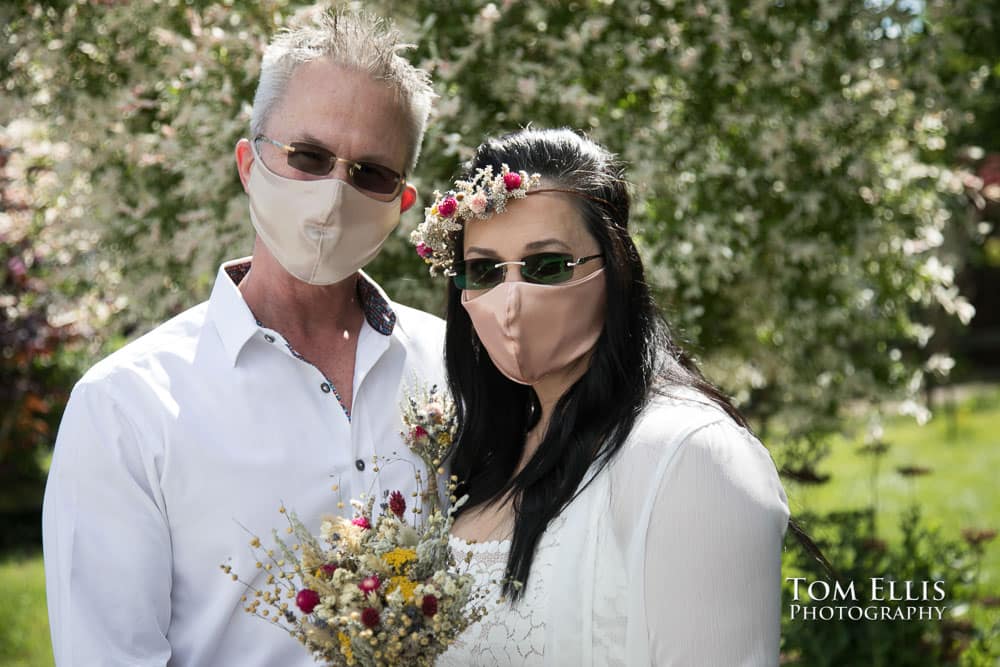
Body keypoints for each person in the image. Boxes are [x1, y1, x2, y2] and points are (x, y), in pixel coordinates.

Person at [41, 11, 444, 666]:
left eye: (371, 172)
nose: (334, 194)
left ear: (403, 201)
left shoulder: (459, 368)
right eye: (309, 157)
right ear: (248, 163)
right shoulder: (127, 409)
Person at [410, 127, 791, 666]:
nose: (511, 298)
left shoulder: (689, 455)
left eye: (547, 265)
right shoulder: (482, 452)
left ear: (614, 268)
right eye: (485, 270)